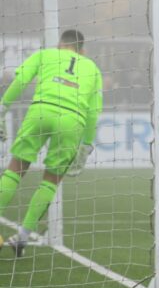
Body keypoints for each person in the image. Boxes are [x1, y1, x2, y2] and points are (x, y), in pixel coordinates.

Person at [0, 29, 103, 257]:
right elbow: (94, 112)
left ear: (60, 44)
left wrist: (2, 108)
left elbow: (20, 81)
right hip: (73, 120)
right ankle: (23, 237)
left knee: (16, 169)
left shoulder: (46, 54)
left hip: (41, 110)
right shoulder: (92, 69)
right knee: (51, 180)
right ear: (82, 50)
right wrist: (85, 146)